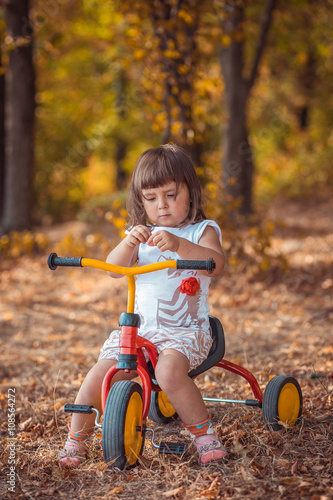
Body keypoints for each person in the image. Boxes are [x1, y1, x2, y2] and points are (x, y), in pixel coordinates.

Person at [59, 144, 227, 468]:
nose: (161, 206)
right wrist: (129, 242)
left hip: (185, 330)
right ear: (141, 200)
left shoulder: (201, 230)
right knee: (100, 373)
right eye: (150, 198)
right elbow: (112, 268)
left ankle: (205, 436)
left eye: (170, 195)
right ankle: (75, 439)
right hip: (141, 330)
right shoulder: (142, 235)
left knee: (167, 370)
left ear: (190, 192)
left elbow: (216, 264)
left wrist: (180, 245)